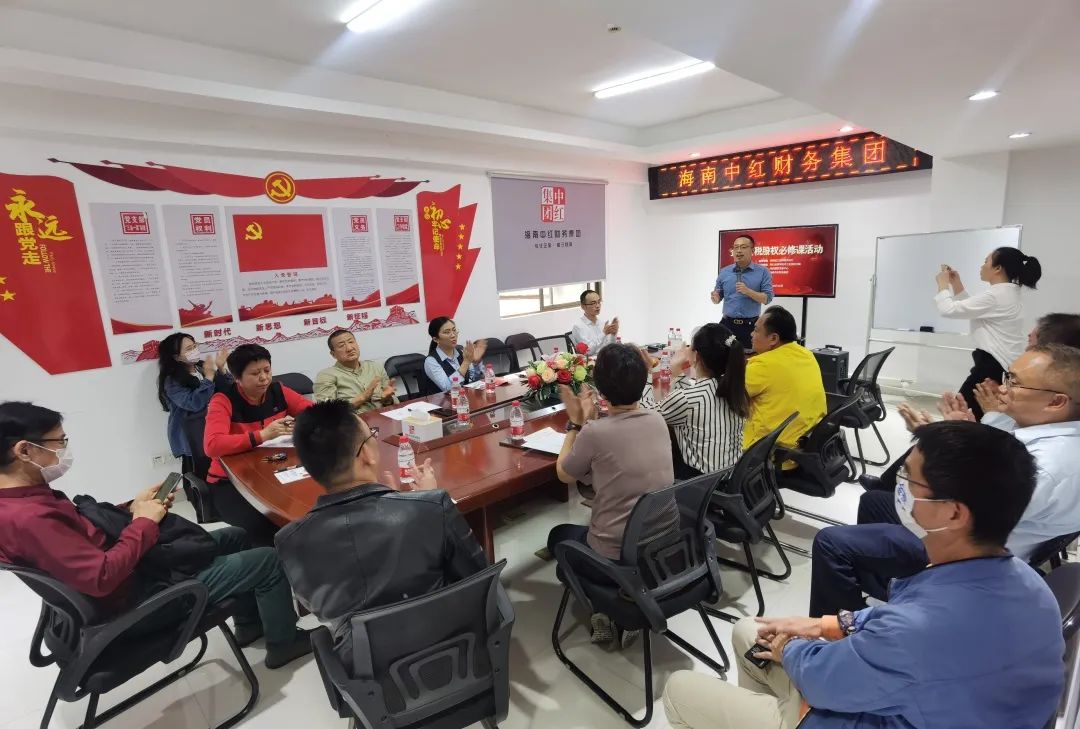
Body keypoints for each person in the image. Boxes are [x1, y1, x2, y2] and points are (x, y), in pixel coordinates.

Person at [664, 420, 1064, 729]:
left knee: (681, 688)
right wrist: (825, 624)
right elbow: (895, 631)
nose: (899, 488)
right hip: (928, 705)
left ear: (954, 512)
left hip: (866, 712)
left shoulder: (917, 630)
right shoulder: (1029, 584)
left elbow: (825, 682)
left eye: (909, 479)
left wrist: (791, 649)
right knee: (749, 630)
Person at [0, 402, 313, 669]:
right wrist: (143, 523)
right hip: (141, 600)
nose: (63, 450)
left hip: (138, 571)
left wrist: (133, 508)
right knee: (268, 560)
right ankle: (284, 645)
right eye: (59, 441)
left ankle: (249, 625)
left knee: (237, 536)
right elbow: (102, 577)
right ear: (24, 450)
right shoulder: (29, 518)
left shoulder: (24, 499)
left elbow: (86, 531)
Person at [809, 343, 1080, 617]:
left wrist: (937, 444)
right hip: (979, 537)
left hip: (965, 557)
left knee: (831, 543)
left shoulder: (1044, 467)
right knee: (874, 501)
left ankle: (848, 626)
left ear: (1056, 402)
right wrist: (962, 431)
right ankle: (889, 587)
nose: (1002, 388)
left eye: (1014, 382)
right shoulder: (1045, 433)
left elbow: (957, 510)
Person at [275, 400, 487, 671]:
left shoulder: (289, 542)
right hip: (453, 652)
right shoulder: (432, 507)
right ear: (366, 454)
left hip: (365, 673)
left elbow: (320, 607)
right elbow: (478, 576)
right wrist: (424, 500)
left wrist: (398, 501)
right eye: (372, 436)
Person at [548, 343, 679, 646]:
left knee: (558, 537)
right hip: (663, 549)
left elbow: (565, 474)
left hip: (617, 560)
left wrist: (575, 424)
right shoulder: (657, 419)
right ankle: (621, 599)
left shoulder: (595, 432)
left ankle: (605, 608)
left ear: (601, 389)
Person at [203, 344, 312, 546]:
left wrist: (302, 423)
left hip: (272, 470)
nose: (264, 378)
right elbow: (212, 445)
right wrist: (262, 435)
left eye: (267, 370)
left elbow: (312, 412)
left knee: (309, 513)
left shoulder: (278, 391)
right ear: (237, 377)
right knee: (267, 531)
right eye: (255, 373)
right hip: (230, 482)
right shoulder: (223, 400)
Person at [935, 246, 1042, 418]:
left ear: (998, 268)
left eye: (986, 261)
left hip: (991, 367)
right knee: (971, 416)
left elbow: (948, 309)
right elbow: (974, 310)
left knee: (960, 416)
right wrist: (956, 284)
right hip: (1000, 365)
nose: (982, 266)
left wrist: (942, 285)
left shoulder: (996, 295)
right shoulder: (1008, 292)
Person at [641, 323, 749, 479]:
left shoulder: (690, 399)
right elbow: (687, 395)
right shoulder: (733, 389)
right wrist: (673, 372)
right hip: (729, 477)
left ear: (696, 356)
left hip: (699, 484)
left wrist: (648, 375)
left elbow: (645, 413)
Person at [744, 306, 826, 467]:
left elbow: (725, 395)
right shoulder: (806, 354)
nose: (751, 334)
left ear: (773, 338)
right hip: (803, 449)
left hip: (769, 456)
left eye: (756, 330)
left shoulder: (764, 365)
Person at [156, 332, 232, 474]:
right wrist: (208, 378)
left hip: (214, 429)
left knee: (220, 471)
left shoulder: (202, 367)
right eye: (189, 349)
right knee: (200, 474)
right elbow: (193, 403)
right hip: (193, 436)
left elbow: (227, 391)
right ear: (177, 357)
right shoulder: (172, 381)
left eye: (195, 346)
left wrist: (221, 369)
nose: (195, 350)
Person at [710, 234, 774, 350]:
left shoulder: (763, 272)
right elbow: (718, 296)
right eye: (736, 247)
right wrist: (716, 298)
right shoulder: (724, 272)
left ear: (752, 250)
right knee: (723, 356)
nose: (739, 251)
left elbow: (767, 298)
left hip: (751, 327)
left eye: (743, 247)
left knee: (749, 358)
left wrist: (748, 291)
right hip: (727, 325)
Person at [314, 329, 397, 413]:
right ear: (333, 354)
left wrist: (387, 399)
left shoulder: (375, 367)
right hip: (354, 420)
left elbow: (392, 401)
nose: (349, 348)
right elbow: (327, 412)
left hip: (385, 417)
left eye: (351, 342)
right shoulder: (326, 376)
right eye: (341, 345)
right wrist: (363, 397)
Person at [421, 316, 487, 395]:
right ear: (436, 339)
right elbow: (449, 388)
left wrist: (476, 362)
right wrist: (466, 362)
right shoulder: (431, 361)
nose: (453, 335)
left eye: (454, 330)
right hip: (443, 401)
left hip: (464, 398)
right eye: (447, 332)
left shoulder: (461, 352)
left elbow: (473, 380)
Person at [570, 289, 618, 354]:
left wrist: (613, 335)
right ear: (583, 306)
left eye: (599, 302)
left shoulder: (602, 323)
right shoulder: (578, 327)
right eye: (593, 303)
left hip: (605, 357)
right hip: (590, 359)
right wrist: (604, 333)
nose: (598, 306)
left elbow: (609, 348)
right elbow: (588, 351)